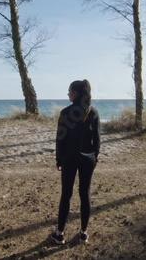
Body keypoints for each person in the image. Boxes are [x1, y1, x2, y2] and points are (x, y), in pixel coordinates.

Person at [50, 79, 101, 244]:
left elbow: (60, 139)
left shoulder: (65, 113)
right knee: (84, 193)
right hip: (88, 158)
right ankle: (83, 233)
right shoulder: (93, 112)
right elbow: (97, 140)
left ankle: (59, 233)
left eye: (70, 91)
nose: (68, 94)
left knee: (66, 194)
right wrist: (95, 157)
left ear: (76, 93)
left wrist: (59, 159)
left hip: (69, 158)